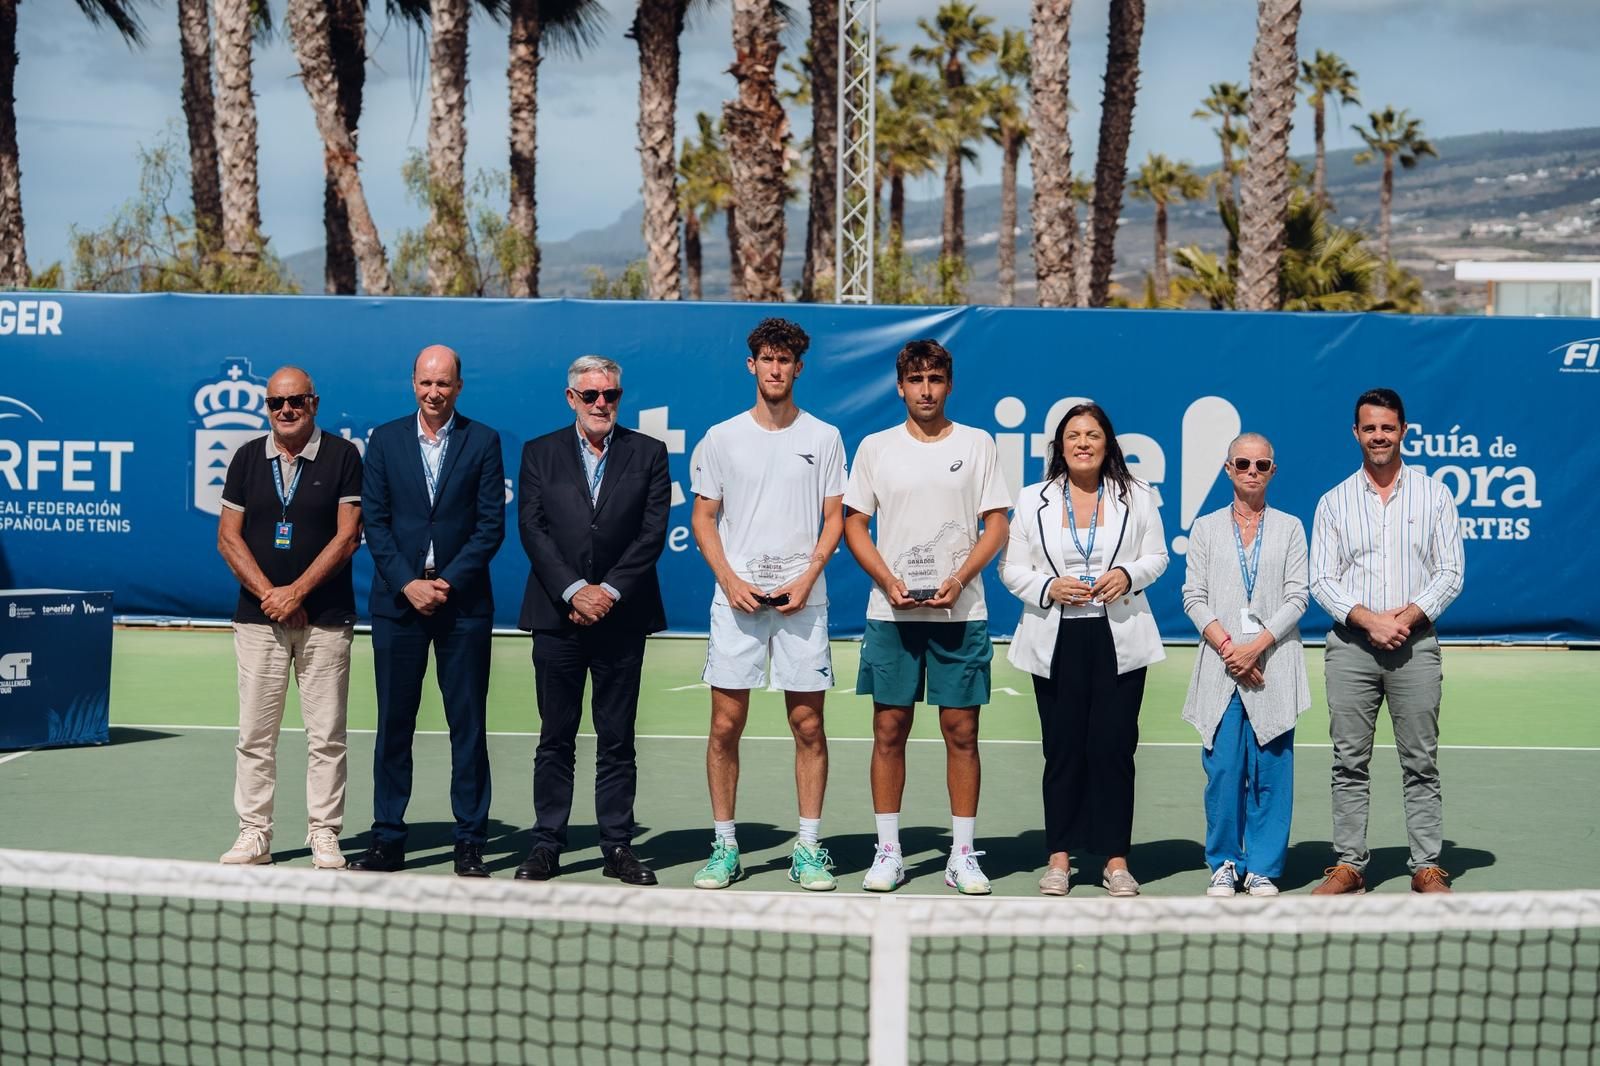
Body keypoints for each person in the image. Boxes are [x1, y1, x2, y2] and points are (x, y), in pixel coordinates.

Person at [842, 339, 1010, 895]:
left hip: (962, 613)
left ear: (949, 384)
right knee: (889, 729)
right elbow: (854, 525)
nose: (926, 390)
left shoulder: (978, 444)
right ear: (900, 386)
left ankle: (963, 854)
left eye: (935, 379)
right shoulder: (874, 448)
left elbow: (996, 526)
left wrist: (959, 580)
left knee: (961, 731)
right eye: (916, 380)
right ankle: (888, 851)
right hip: (891, 615)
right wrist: (887, 581)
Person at [688, 318, 847, 891]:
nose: (776, 369)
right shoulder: (721, 437)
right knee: (725, 725)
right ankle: (725, 847)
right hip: (737, 604)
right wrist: (729, 579)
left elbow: (835, 518)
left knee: (808, 724)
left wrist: (808, 578)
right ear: (751, 365)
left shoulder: (824, 438)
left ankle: (807, 848)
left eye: (786, 360)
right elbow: (704, 518)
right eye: (766, 359)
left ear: (798, 368)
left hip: (802, 602)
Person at [348, 345, 506, 877]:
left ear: (459, 386)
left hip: (463, 608)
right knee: (394, 724)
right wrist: (409, 584)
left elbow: (490, 527)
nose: (433, 392)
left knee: (468, 726)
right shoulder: (385, 440)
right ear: (412, 383)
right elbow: (376, 520)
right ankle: (388, 837)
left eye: (443, 384)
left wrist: (447, 583)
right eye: (425, 383)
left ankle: (469, 841)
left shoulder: (483, 441)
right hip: (398, 606)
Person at [515, 355, 671, 886]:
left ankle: (617, 846)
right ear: (571, 398)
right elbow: (533, 531)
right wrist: (576, 591)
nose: (602, 403)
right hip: (557, 618)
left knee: (617, 739)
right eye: (591, 395)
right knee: (555, 737)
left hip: (622, 619)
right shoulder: (539, 453)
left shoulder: (648, 453)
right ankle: (546, 844)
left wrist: (608, 591)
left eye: (611, 395)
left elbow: (652, 532)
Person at [1000, 403, 1167, 897]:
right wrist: (1049, 586)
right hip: (1056, 638)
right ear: (1060, 445)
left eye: (1093, 435)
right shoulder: (1033, 499)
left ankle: (1116, 860)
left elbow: (1156, 557)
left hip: (1120, 636)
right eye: (1073, 435)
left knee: (1114, 749)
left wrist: (1128, 576)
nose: (1083, 443)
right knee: (1063, 750)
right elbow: (1011, 569)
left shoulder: (1137, 495)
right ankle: (1059, 857)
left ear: (1108, 443)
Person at [1310, 388, 1464, 895]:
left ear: (1403, 431)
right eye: (1369, 427)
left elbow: (1450, 571)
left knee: (1420, 759)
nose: (1379, 435)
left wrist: (1407, 617)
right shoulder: (1333, 502)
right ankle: (1349, 864)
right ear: (1356, 433)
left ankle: (1426, 865)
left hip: (1416, 648)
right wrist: (1369, 621)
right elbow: (1321, 580)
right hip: (1350, 649)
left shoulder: (1434, 495)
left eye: (1388, 427)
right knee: (1348, 761)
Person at [216, 366, 363, 869]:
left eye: (296, 401)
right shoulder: (245, 457)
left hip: (325, 621)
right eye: (276, 402)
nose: (286, 410)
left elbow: (347, 537)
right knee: (255, 735)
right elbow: (227, 537)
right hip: (258, 623)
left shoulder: (344, 456)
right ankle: (254, 834)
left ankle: (324, 833)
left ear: (314, 403)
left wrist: (297, 592)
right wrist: (271, 597)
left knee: (326, 737)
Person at [1180, 432, 1310, 898]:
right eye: (1242, 463)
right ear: (1228, 469)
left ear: (1272, 471)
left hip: (1273, 665)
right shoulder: (1206, 529)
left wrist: (1254, 647)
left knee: (1272, 770)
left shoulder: (1291, 528)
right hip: (1221, 667)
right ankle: (1224, 862)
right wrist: (1230, 648)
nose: (1251, 471)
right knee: (1224, 770)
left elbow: (1299, 595)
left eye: (1261, 465)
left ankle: (1262, 867)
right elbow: (1192, 596)